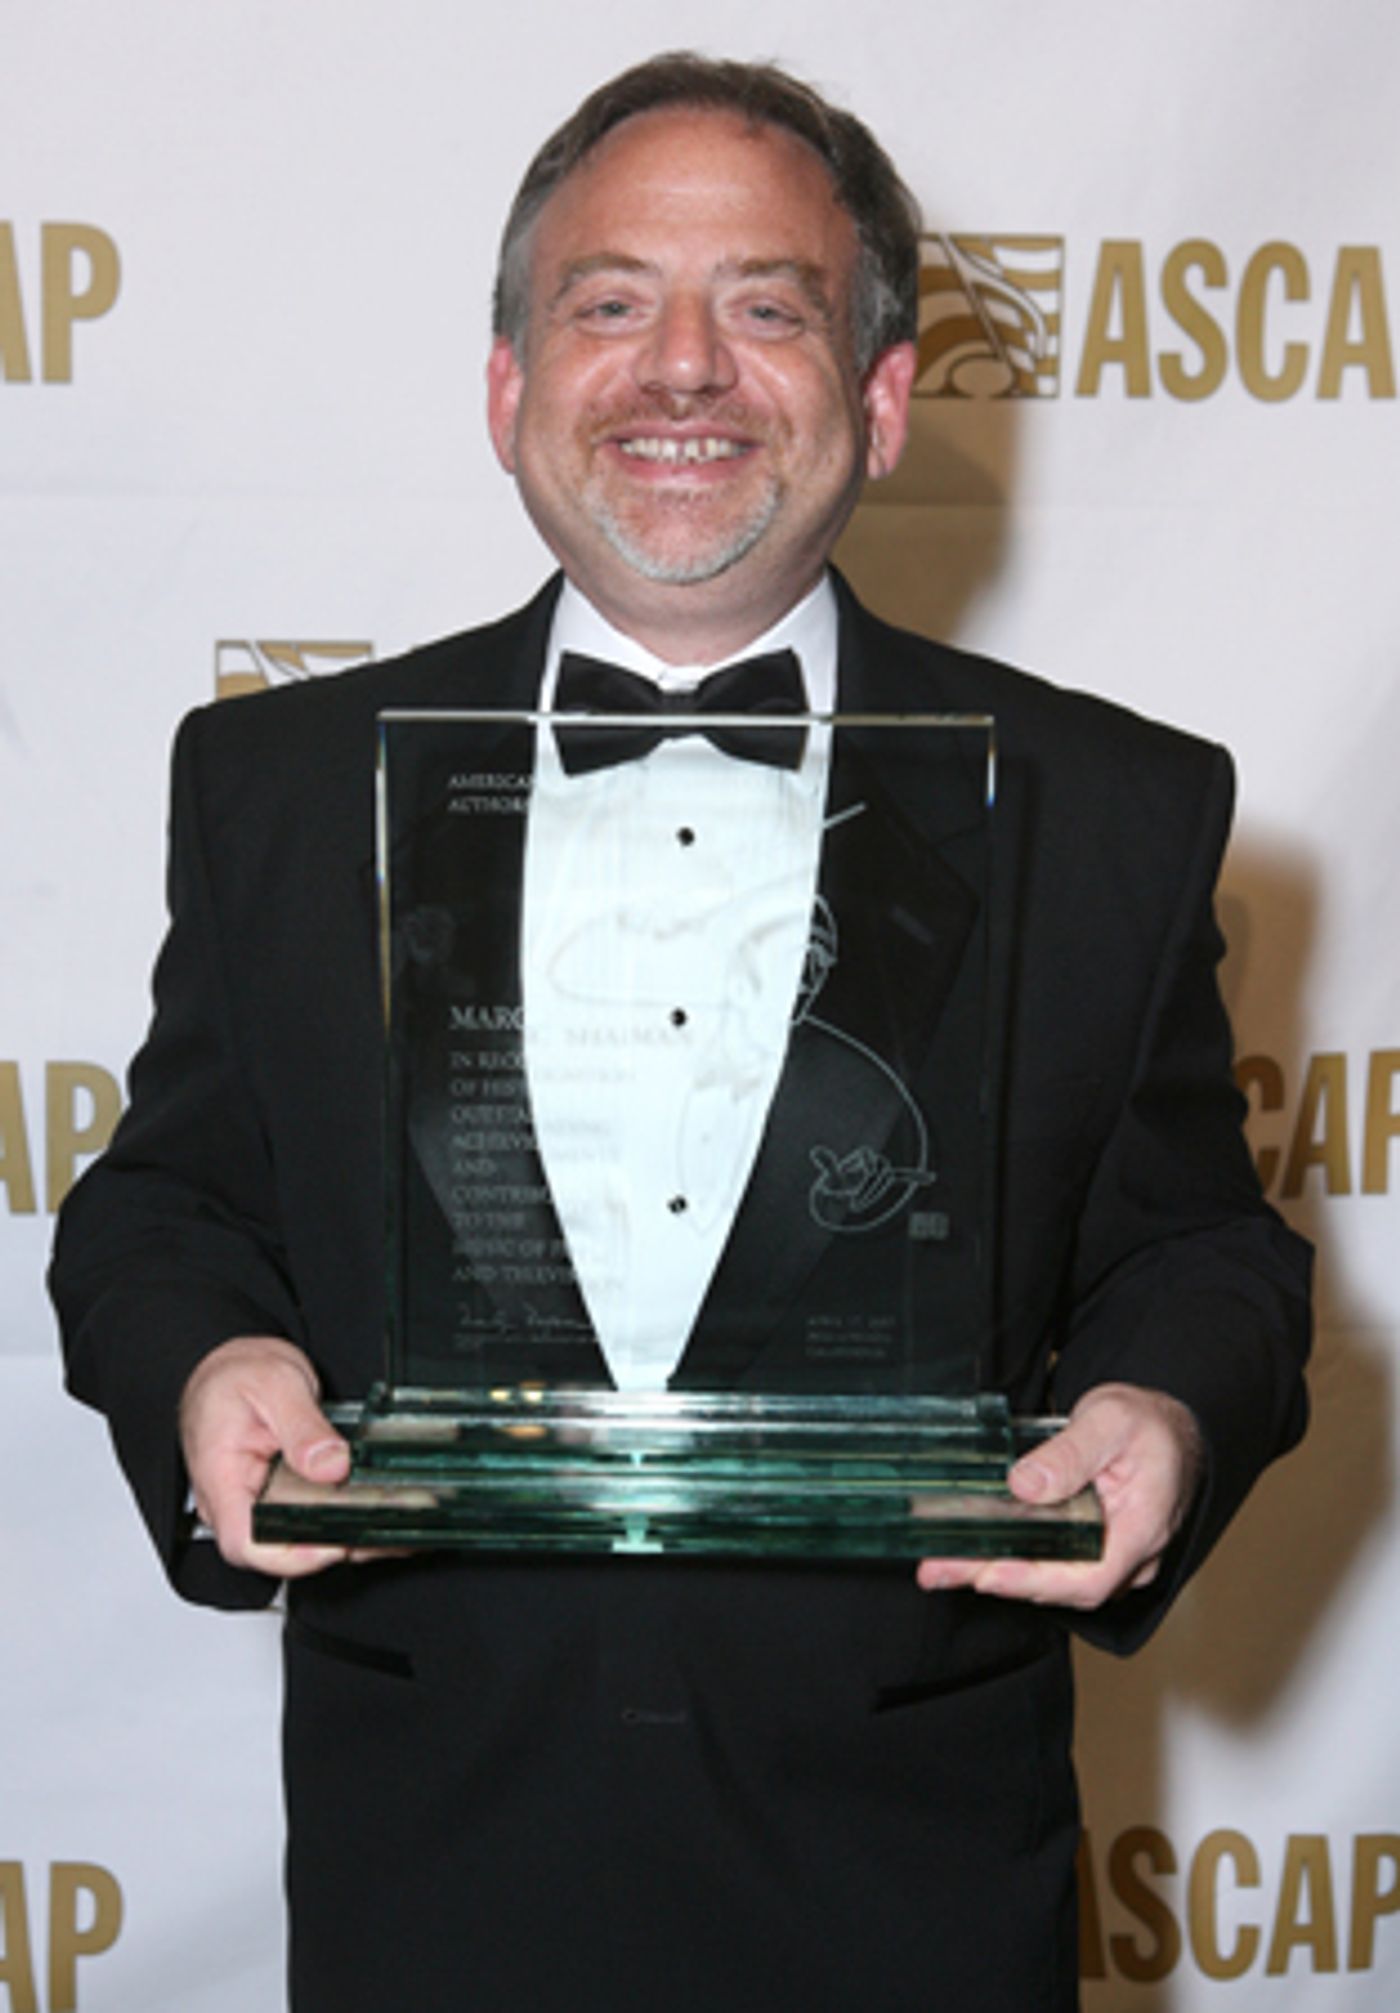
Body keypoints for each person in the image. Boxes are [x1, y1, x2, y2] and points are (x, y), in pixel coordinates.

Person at [51, 51, 1311, 2013]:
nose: (685, 370)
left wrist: (1162, 1406)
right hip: (435, 1880)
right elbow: (164, 1207)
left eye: (768, 308)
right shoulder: (279, 788)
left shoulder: (1108, 808)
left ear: (879, 401)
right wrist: (210, 1356)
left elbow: (1200, 1248)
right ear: (508, 387)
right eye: (612, 302)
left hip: (906, 1890)